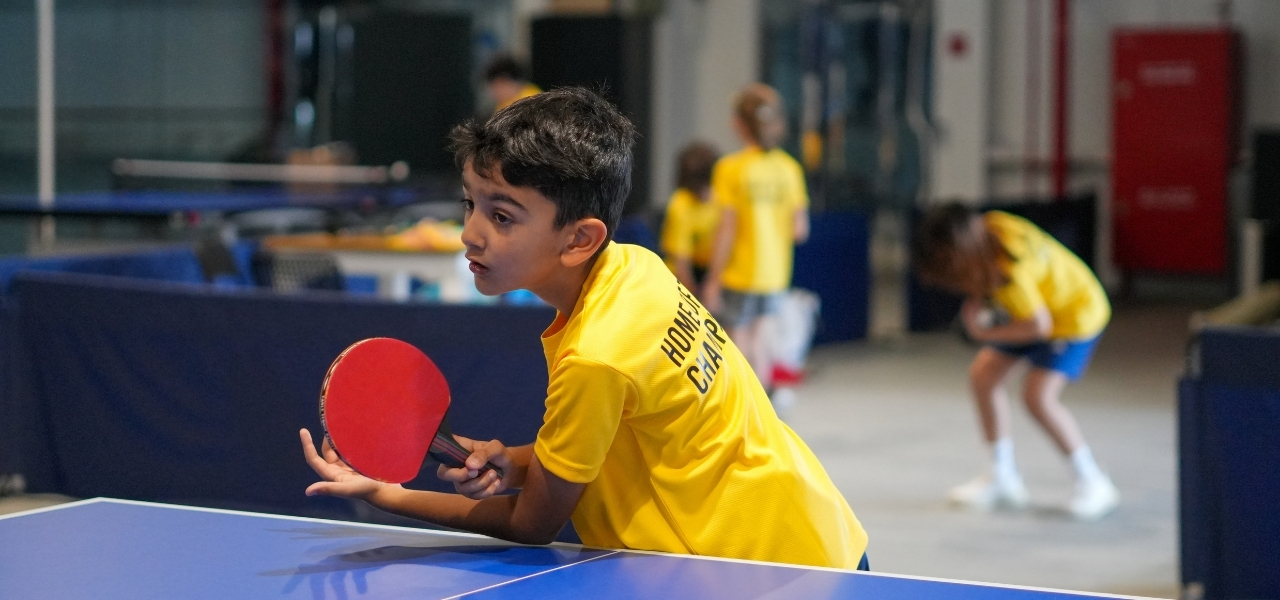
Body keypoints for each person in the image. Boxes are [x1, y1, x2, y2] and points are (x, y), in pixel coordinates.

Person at [299, 88, 869, 569]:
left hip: (764, 572)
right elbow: (621, 434)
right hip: (823, 535)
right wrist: (516, 461)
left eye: (502, 216)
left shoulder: (597, 354)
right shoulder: (638, 268)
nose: (471, 233)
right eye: (470, 203)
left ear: (579, 239)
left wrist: (389, 496)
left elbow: (532, 523)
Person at [913, 203, 1120, 521]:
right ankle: (1002, 477)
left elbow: (1038, 327)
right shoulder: (990, 227)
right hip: (1035, 308)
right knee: (983, 376)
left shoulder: (1012, 276)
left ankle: (1093, 480)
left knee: (1037, 396)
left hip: (1074, 315)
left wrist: (983, 331)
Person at [702, 83, 809, 394]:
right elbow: (799, 230)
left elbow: (727, 230)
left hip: (739, 272)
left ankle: (748, 416)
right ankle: (764, 412)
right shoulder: (789, 169)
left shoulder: (730, 169)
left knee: (737, 345)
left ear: (738, 123)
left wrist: (713, 278)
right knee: (760, 342)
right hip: (775, 274)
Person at [659, 141, 720, 292]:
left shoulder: (724, 198)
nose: (705, 194)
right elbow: (681, 264)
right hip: (686, 274)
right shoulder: (681, 204)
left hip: (715, 270)